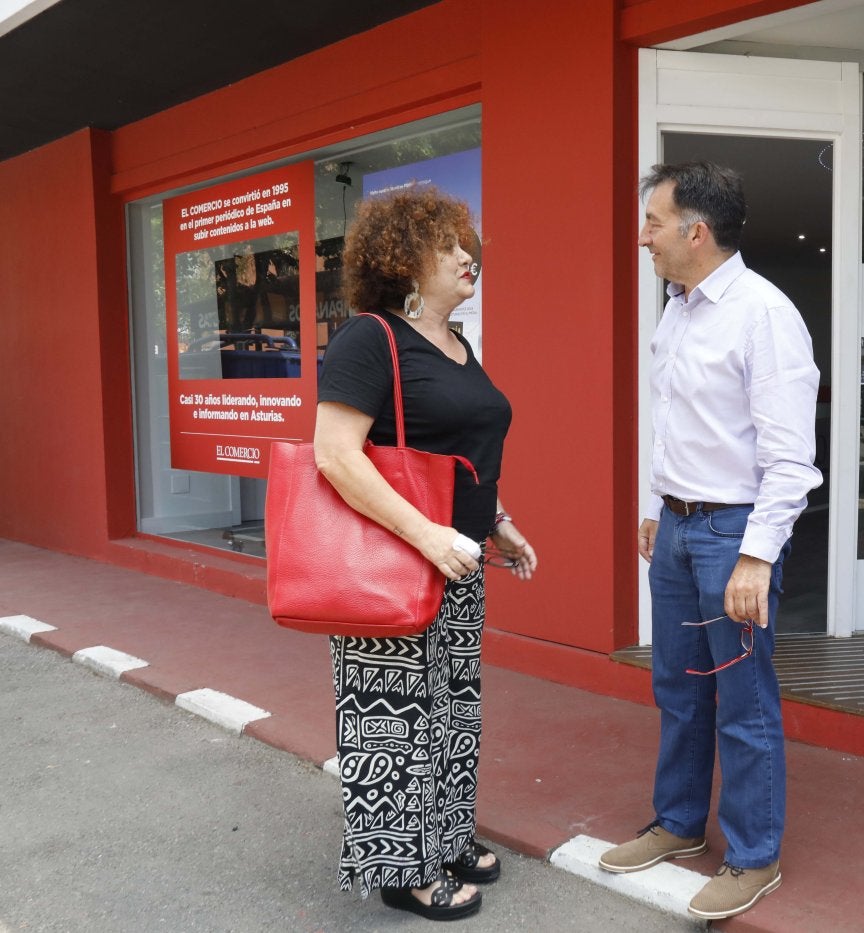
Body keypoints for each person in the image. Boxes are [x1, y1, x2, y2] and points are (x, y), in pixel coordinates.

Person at [597, 161, 821, 921]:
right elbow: (677, 420)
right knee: (680, 687)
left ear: (696, 231)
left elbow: (790, 459)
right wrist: (656, 503)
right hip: (679, 525)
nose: (643, 237)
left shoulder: (764, 315)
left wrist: (757, 555)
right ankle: (679, 822)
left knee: (742, 700)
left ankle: (753, 855)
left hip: (733, 532)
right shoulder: (680, 310)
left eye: (653, 222)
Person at [313, 185, 538, 921]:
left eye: (467, 244)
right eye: (447, 245)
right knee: (393, 719)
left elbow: (456, 453)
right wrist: (428, 535)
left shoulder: (458, 346)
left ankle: (444, 836)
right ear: (403, 259)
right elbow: (336, 455)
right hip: (396, 561)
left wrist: (496, 520)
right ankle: (401, 868)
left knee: (452, 709)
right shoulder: (368, 339)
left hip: (458, 560)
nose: (467, 256)